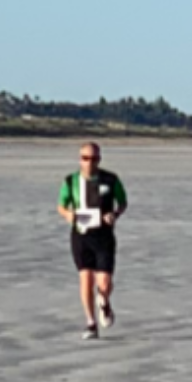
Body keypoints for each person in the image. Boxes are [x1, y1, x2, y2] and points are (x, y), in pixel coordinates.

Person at [56, 141, 129, 339]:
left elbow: (122, 202)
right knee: (85, 279)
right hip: (81, 235)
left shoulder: (110, 180)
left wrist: (114, 214)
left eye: (94, 159)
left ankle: (103, 301)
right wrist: (68, 215)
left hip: (103, 235)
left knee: (104, 282)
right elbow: (61, 205)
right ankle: (90, 322)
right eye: (85, 158)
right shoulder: (70, 181)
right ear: (80, 160)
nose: (90, 163)